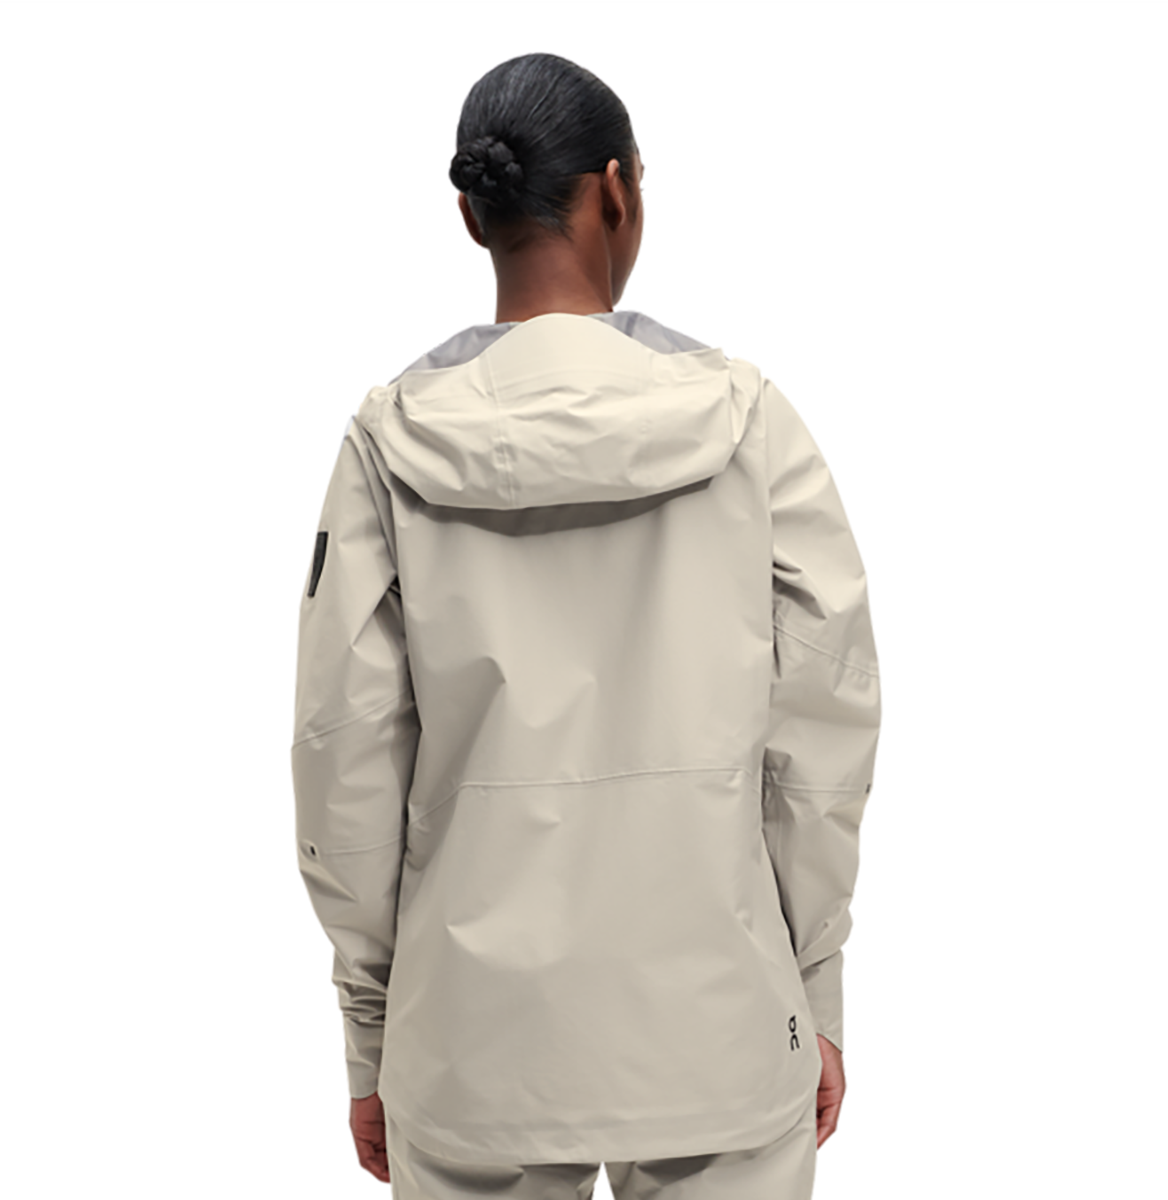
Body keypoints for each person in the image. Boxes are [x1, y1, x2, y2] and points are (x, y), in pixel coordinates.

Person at [291, 51, 882, 1200]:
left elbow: (343, 760)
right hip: (719, 1035)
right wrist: (812, 996)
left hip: (472, 1057)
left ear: (471, 215)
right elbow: (822, 737)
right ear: (617, 190)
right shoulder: (751, 427)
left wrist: (372, 1038)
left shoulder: (386, 446)